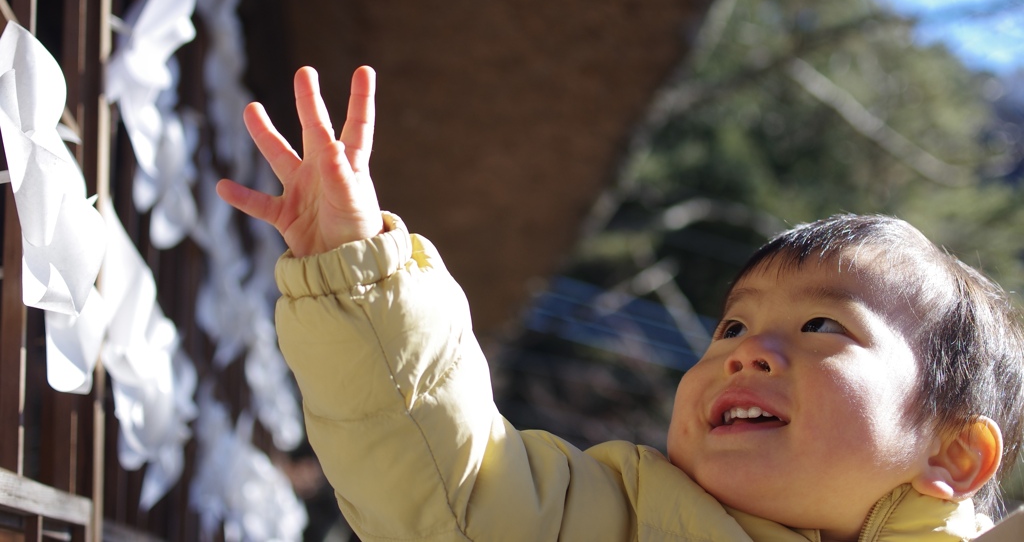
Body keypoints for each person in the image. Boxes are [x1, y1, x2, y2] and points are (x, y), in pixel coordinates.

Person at [216, 66, 1024, 542]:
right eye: (732, 325)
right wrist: (358, 272)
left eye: (823, 326)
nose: (746, 350)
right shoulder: (616, 517)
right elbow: (443, 481)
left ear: (953, 457)